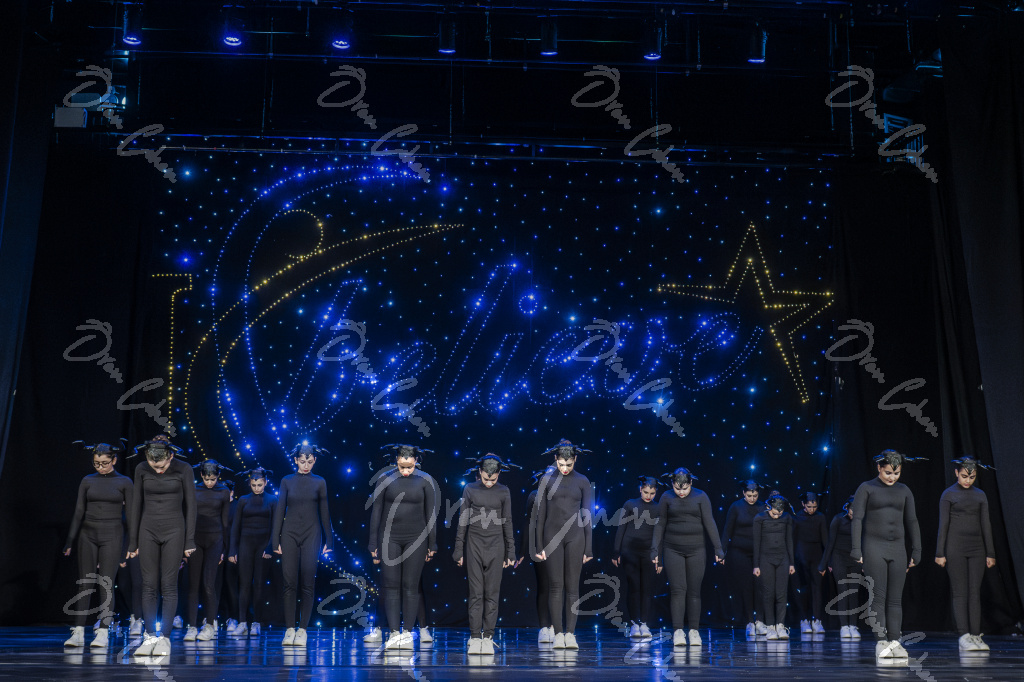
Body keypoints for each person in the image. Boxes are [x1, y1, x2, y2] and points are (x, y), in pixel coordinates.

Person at [126, 436, 196, 658]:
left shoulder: (184, 469)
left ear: (171, 455)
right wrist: (133, 541)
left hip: (174, 530)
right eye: (153, 465)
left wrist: (190, 540)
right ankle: (148, 638)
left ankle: (164, 638)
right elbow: (136, 504)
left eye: (161, 465)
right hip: (147, 529)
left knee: (168, 584)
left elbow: (191, 506)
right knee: (148, 585)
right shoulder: (141, 469)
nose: (157, 470)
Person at [851, 449, 923, 660]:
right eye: (888, 472)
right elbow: (857, 519)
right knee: (878, 596)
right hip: (874, 547)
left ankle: (895, 641)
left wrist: (917, 549)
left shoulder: (904, 490)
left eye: (896, 473)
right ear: (879, 467)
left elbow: (912, 521)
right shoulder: (866, 488)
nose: (892, 477)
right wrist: (856, 549)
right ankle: (881, 641)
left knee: (895, 599)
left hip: (898, 548)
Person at [63, 441, 133, 648]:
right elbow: (79, 511)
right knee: (85, 582)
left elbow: (131, 517)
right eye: (96, 463)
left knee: (106, 583)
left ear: (114, 460)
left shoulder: (124, 482)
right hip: (88, 535)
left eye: (104, 463)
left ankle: (103, 631)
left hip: (112, 535)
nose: (100, 467)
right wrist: (69, 540)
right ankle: (78, 632)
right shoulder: (87, 480)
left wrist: (129, 546)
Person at [369, 444, 438, 650]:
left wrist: (432, 543)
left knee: (410, 586)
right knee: (390, 585)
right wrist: (373, 542)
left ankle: (407, 632)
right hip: (389, 538)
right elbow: (376, 511)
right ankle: (394, 632)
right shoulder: (385, 479)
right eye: (402, 467)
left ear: (416, 461)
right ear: (396, 461)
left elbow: (431, 515)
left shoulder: (425, 480)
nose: (406, 471)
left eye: (409, 467)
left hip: (416, 539)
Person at [650, 467, 724, 648]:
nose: (681, 492)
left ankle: (694, 631)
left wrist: (718, 548)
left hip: (696, 549)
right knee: (678, 590)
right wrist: (655, 550)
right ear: (672, 484)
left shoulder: (701, 496)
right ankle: (678, 631)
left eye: (684, 488)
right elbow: (660, 524)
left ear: (691, 483)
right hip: (672, 549)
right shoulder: (666, 497)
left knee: (694, 591)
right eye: (677, 488)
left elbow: (709, 521)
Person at [271, 442, 334, 647]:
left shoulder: (320, 482)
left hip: (311, 534)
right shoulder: (287, 481)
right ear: (296, 460)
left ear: (314, 460)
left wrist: (330, 539)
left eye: (310, 462)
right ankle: (290, 629)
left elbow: (325, 512)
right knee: (289, 582)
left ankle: (303, 630)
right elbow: (280, 511)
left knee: (307, 582)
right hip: (289, 534)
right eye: (302, 461)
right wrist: (275, 539)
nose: (306, 465)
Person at [533, 439, 594, 650]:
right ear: (555, 459)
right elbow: (540, 516)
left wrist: (589, 547)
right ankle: (558, 633)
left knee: (572, 587)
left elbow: (587, 515)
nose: (565, 468)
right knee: (556, 586)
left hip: (576, 537)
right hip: (552, 537)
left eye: (569, 464)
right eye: (561, 464)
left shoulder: (583, 481)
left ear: (575, 459)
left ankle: (570, 634)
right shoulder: (546, 480)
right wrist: (539, 545)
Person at [454, 454, 518, 655]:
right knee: (476, 593)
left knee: (492, 593)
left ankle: (488, 637)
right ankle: (475, 637)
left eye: (493, 479)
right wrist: (458, 549)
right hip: (474, 545)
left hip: (496, 546)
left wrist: (511, 551)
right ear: (480, 472)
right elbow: (463, 520)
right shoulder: (469, 489)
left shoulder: (504, 491)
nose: (489, 483)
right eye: (486, 479)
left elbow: (508, 521)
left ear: (499, 474)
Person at [935, 456, 997, 652]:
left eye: (972, 477)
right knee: (960, 592)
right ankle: (964, 636)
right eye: (964, 476)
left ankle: (976, 635)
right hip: (955, 548)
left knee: (974, 592)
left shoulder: (980, 495)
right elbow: (943, 525)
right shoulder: (948, 494)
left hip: (977, 548)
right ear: (956, 473)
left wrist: (990, 552)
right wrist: (940, 552)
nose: (968, 480)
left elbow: (986, 524)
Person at [184, 460, 231, 642]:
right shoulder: (193, 490)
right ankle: (192, 626)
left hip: (215, 540)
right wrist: (186, 543)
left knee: (209, 584)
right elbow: (188, 518)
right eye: (207, 479)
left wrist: (224, 548)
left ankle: (210, 625)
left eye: (213, 479)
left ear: (218, 476)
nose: (210, 482)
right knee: (193, 584)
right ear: (201, 475)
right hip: (196, 540)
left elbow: (225, 522)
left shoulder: (224, 492)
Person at [611, 476, 660, 640]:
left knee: (647, 589)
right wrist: (616, 551)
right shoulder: (630, 504)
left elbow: (660, 534)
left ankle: (644, 623)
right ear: (640, 489)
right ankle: (634, 624)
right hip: (629, 552)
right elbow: (621, 528)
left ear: (656, 492)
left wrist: (659, 556)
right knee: (634, 587)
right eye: (645, 492)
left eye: (652, 493)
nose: (648, 496)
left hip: (648, 553)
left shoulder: (658, 508)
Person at [229, 468, 275, 637]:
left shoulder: (272, 500)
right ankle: (242, 622)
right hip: (246, 544)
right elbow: (235, 527)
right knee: (244, 583)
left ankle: (256, 622)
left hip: (263, 546)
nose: (256, 488)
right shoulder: (243, 500)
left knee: (259, 584)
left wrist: (270, 547)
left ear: (265, 483)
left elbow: (276, 526)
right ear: (249, 483)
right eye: (254, 485)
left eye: (260, 485)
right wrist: (232, 550)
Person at [721, 479, 767, 637]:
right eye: (749, 495)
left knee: (760, 585)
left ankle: (760, 620)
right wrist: (722, 551)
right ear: (743, 493)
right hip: (739, 551)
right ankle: (749, 621)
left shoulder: (763, 506)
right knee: (746, 586)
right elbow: (727, 529)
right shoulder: (736, 507)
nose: (752, 498)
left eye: (755, 495)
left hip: (759, 552)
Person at [516, 466, 555, 644]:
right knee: (545, 586)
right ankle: (544, 627)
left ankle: (555, 626)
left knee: (558, 587)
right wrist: (522, 551)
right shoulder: (534, 496)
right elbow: (528, 523)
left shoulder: (565, 495)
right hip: (540, 546)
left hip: (560, 545)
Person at [753, 493, 795, 641]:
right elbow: (756, 543)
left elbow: (789, 540)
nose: (777, 516)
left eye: (779, 514)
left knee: (781, 593)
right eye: (774, 513)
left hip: (783, 559)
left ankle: (780, 626)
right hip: (766, 559)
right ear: (768, 507)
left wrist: (791, 563)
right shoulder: (759, 519)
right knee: (768, 593)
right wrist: (756, 565)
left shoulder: (787, 518)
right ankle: (770, 627)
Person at [819, 495, 862, 639]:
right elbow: (830, 542)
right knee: (843, 592)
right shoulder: (838, 519)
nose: (853, 514)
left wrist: (865, 561)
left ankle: (853, 626)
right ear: (847, 508)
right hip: (839, 558)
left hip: (855, 559)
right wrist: (826, 563)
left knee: (853, 593)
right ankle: (844, 626)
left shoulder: (862, 521)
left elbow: (865, 541)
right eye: (852, 511)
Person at [793, 491, 828, 634]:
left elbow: (825, 540)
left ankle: (817, 620)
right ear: (803, 504)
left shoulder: (820, 517)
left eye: (814, 507)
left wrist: (825, 562)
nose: (812, 509)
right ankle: (804, 620)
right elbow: (793, 540)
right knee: (804, 589)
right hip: (801, 556)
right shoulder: (797, 517)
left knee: (817, 588)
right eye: (809, 507)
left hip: (816, 556)